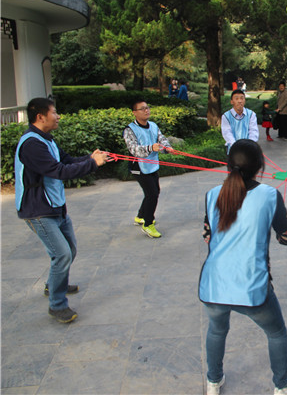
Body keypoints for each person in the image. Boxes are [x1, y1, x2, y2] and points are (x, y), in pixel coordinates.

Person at [199, 139, 287, 395]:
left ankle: (213, 382)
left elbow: (207, 234)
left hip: (214, 284)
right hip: (251, 286)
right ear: (259, 166)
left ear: (228, 165)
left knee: (216, 330)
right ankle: (282, 386)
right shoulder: (270, 196)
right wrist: (286, 224)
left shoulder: (212, 194)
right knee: (276, 333)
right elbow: (285, 239)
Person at [14, 98, 111, 323]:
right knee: (62, 254)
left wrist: (90, 158)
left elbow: (66, 161)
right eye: (54, 112)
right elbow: (59, 171)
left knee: (70, 250)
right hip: (38, 210)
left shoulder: (46, 139)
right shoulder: (31, 144)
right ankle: (57, 305)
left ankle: (54, 284)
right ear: (41, 117)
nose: (58, 116)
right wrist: (93, 164)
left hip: (54, 206)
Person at [123, 99, 173, 238]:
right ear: (134, 112)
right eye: (142, 109)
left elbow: (161, 139)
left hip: (152, 164)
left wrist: (167, 148)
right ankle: (148, 224)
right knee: (152, 194)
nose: (146, 110)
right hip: (138, 166)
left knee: (153, 191)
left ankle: (141, 216)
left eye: (147, 108)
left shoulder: (153, 126)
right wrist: (151, 148)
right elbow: (133, 149)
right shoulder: (129, 130)